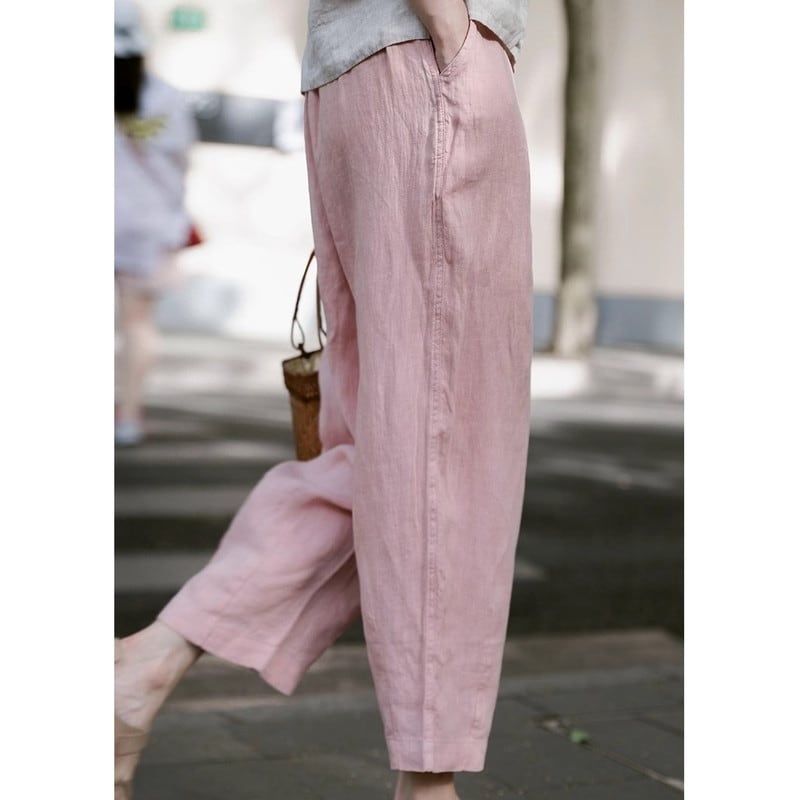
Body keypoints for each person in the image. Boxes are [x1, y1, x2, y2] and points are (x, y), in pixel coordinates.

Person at [114, 1, 533, 798]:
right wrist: (454, 37)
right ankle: (429, 781)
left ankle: (145, 667)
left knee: (386, 446)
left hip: (360, 76)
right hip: (428, 56)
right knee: (452, 442)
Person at [114, 0, 196, 446]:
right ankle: (128, 415)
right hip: (145, 226)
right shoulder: (164, 98)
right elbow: (182, 163)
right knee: (137, 323)